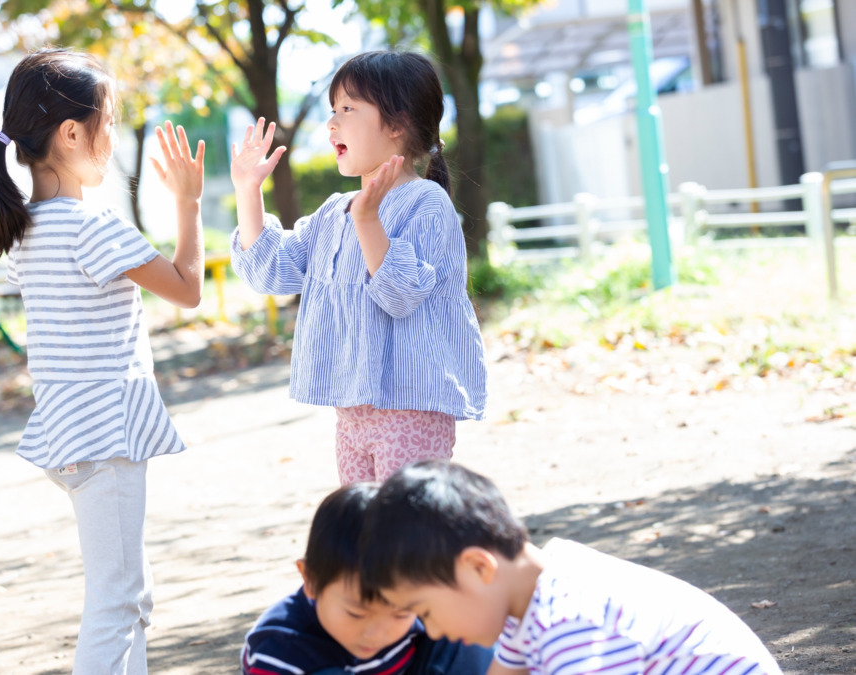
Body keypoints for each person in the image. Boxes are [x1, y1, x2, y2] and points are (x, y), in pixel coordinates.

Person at [0, 47, 205, 674]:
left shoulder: (25, 228)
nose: (113, 137)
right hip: (104, 438)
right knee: (116, 600)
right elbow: (188, 289)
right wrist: (187, 201)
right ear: (73, 132)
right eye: (110, 121)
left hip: (69, 433)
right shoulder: (92, 227)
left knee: (131, 594)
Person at [228, 50, 487, 485]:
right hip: (351, 413)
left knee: (406, 534)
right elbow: (271, 272)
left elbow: (400, 294)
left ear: (397, 124)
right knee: (366, 535)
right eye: (333, 109)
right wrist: (247, 191)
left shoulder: (427, 203)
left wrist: (368, 221)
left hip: (412, 408)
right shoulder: (335, 211)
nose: (332, 123)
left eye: (348, 109)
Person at [358, 461, 785, 675]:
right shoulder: (530, 593)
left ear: (477, 567)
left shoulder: (571, 619)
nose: (430, 631)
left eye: (426, 610)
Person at [241, 483, 493, 675]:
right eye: (356, 614)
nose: (376, 633)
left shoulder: (418, 606)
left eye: (400, 614)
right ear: (312, 580)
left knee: (463, 637)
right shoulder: (280, 649)